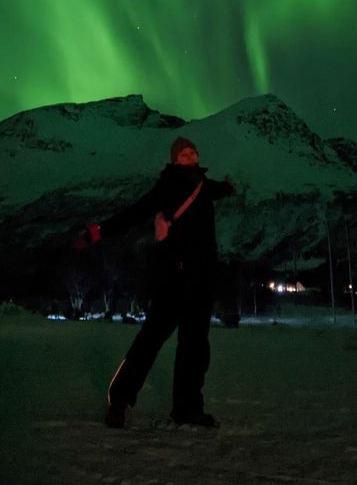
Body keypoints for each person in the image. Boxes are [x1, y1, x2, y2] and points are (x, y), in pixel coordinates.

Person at [74, 135, 236, 429]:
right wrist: (96, 233)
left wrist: (227, 187)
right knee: (150, 340)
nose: (190, 156)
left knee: (195, 346)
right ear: (175, 159)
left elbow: (216, 190)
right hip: (173, 277)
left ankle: (187, 409)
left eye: (193, 152)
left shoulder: (204, 186)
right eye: (184, 154)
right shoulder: (167, 186)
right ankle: (119, 400)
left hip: (201, 278)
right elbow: (135, 213)